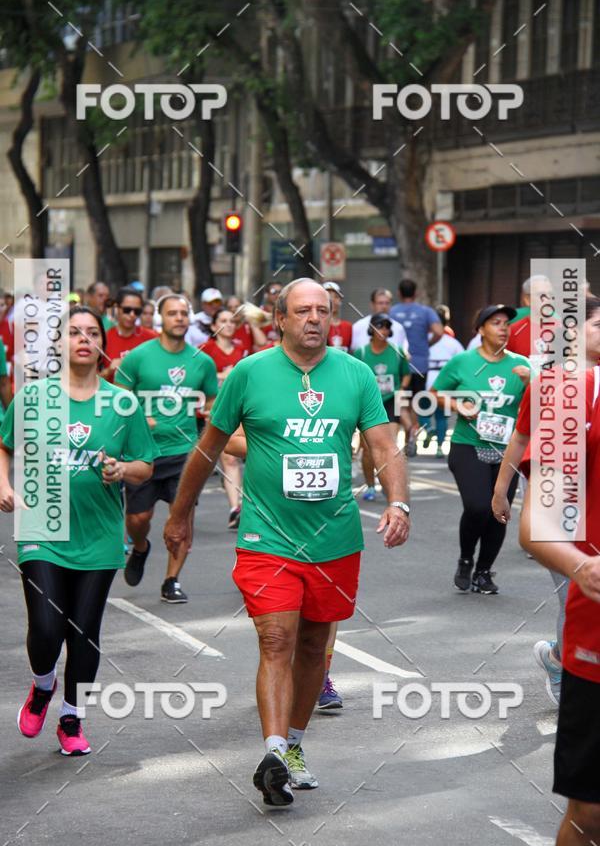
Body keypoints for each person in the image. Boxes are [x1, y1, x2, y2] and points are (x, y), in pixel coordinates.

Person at [163, 278, 410, 805]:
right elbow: (208, 450)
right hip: (267, 536)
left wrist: (398, 501)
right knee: (276, 639)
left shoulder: (356, 374)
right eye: (303, 311)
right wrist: (180, 514)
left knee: (315, 647)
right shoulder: (250, 374)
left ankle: (294, 745)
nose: (314, 319)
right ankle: (274, 751)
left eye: (323, 311)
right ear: (281, 319)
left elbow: (384, 445)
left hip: (335, 538)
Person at [0, 306, 154, 754]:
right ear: (60, 345)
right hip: (42, 528)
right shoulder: (33, 398)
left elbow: (145, 467)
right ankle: (43, 685)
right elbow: (5, 445)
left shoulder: (123, 403)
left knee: (84, 630)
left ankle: (72, 717)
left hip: (99, 532)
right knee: (47, 627)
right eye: (73, 332)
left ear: (102, 344)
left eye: (92, 332)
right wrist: (4, 483)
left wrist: (122, 468)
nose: (83, 339)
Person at [492, 296, 600, 704]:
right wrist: (502, 490)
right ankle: (569, 668)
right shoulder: (548, 384)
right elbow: (520, 437)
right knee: (575, 590)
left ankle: (558, 657)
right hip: (563, 514)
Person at [517, 364, 600, 846]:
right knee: (590, 815)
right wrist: (581, 566)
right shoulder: (578, 397)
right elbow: (537, 524)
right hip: (594, 636)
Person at [116, 294, 218, 602]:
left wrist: (209, 424)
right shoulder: (138, 357)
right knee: (138, 519)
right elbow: (116, 398)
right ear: (161, 319)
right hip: (144, 454)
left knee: (182, 518)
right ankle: (140, 547)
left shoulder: (203, 362)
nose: (180, 318)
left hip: (184, 454)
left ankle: (172, 579)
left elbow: (211, 403)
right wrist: (136, 416)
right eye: (172, 313)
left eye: (184, 313)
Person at [432, 304, 530, 594]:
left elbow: (543, 405)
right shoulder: (462, 362)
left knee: (499, 511)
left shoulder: (522, 365)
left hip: (507, 450)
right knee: (477, 506)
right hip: (468, 444)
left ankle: (483, 572)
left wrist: (530, 383)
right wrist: (457, 405)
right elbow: (435, 394)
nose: (503, 328)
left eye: (506, 323)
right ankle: (466, 559)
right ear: (481, 330)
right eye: (496, 322)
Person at [353, 312, 411, 500]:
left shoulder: (397, 351)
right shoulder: (361, 353)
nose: (383, 330)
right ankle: (370, 485)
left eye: (386, 326)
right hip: (368, 402)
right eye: (380, 326)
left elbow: (406, 373)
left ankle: (387, 485)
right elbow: (354, 379)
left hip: (390, 400)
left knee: (389, 444)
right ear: (371, 329)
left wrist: (402, 388)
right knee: (368, 449)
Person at [201, 307, 247, 528]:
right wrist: (222, 375)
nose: (229, 325)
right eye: (223, 320)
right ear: (213, 325)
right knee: (209, 458)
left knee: (231, 457)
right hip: (214, 409)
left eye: (232, 321)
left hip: (237, 408)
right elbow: (198, 378)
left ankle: (235, 508)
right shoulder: (206, 350)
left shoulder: (241, 350)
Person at [390, 279, 444, 456]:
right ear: (416, 293)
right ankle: (411, 435)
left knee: (400, 401)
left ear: (399, 293)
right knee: (415, 403)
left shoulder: (392, 312)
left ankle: (401, 438)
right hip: (420, 363)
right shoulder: (426, 311)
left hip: (398, 362)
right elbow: (438, 331)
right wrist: (427, 344)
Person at [423, 306, 464, 458]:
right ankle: (440, 447)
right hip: (445, 382)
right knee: (442, 416)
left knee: (421, 409)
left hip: (426, 379)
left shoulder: (425, 339)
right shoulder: (453, 343)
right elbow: (462, 362)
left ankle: (427, 429)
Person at [101, 288, 157, 382]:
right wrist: (108, 371)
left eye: (137, 311)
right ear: (117, 308)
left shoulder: (152, 338)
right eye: (127, 310)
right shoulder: (104, 338)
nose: (132, 315)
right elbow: (89, 379)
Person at [350, 288, 408, 353]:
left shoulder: (398, 328)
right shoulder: (358, 326)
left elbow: (402, 353)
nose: (384, 306)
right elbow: (352, 351)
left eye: (387, 303)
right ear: (372, 304)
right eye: (380, 303)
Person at [324, 282, 352, 352]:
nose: (332, 300)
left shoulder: (348, 327)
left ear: (340, 300)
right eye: (328, 297)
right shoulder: (320, 326)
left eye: (336, 296)